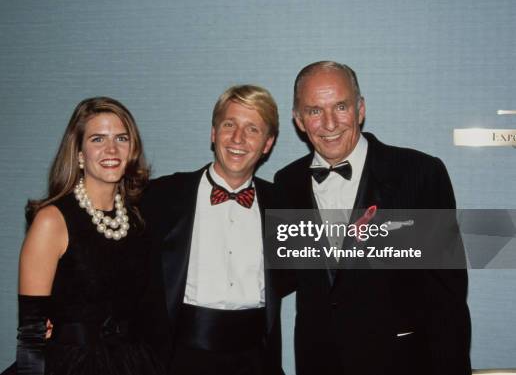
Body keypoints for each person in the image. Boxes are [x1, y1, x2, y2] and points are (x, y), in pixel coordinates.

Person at [274, 61, 471, 375]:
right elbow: (280, 278)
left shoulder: (419, 174)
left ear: (360, 109)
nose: (329, 123)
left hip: (402, 363)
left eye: (340, 106)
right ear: (298, 120)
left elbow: (448, 296)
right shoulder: (286, 183)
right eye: (314, 111)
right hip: (319, 363)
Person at [5, 97, 163, 375]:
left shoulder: (139, 219)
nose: (112, 149)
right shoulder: (52, 221)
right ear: (79, 153)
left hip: (133, 362)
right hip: (70, 365)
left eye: (121, 138)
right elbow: (31, 334)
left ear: (132, 149)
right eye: (98, 139)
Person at [141, 85, 285, 375]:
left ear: (267, 144)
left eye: (252, 129)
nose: (238, 138)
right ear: (213, 132)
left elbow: (334, 268)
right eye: (229, 124)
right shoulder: (161, 196)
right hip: (178, 360)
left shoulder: (282, 204)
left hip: (255, 361)